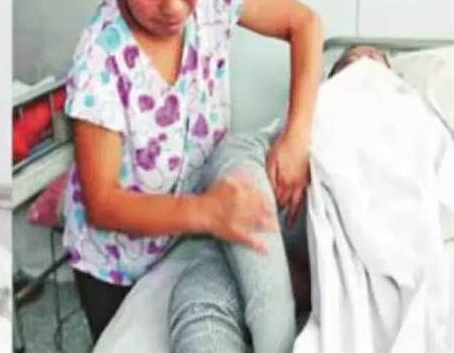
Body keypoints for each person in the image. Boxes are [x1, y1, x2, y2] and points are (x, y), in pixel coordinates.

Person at [62, 0, 324, 342]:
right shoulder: (101, 59)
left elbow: (305, 23)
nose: (174, 5)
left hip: (190, 236)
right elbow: (103, 203)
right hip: (117, 266)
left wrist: (297, 135)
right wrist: (206, 212)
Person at [168, 45, 393, 353]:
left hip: (342, 292)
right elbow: (234, 169)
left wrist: (316, 280)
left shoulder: (413, 159)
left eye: (373, 66)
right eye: (349, 66)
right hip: (266, 271)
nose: (361, 71)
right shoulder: (278, 147)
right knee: (200, 297)